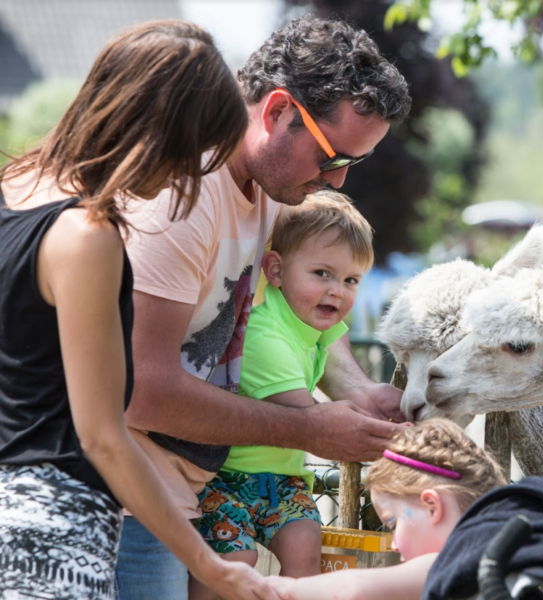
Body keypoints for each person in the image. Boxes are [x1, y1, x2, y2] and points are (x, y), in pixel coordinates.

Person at [117, 14, 413, 599]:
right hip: (124, 506)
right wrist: (310, 430)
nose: (339, 180)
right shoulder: (180, 202)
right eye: (331, 156)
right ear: (277, 111)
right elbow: (140, 389)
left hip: (181, 499)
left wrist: (358, 395)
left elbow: (303, 318)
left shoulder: (275, 197)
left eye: (356, 162)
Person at [0, 20, 274, 600]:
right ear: (162, 134)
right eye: (193, 156)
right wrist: (214, 565)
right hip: (55, 537)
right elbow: (102, 437)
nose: (189, 180)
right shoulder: (86, 237)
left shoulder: (10, 189)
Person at [189, 190, 375, 598]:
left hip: (286, 479)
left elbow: (358, 392)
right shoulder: (265, 333)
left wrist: (382, 404)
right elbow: (311, 421)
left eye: (350, 280)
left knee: (305, 544)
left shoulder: (316, 325)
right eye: (322, 274)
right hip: (227, 476)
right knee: (232, 562)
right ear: (275, 271)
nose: (337, 291)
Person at [261, 419, 507, 600]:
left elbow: (351, 589)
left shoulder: (460, 558)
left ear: (432, 507)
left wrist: (275, 587)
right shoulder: (506, 548)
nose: (394, 545)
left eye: (394, 523)